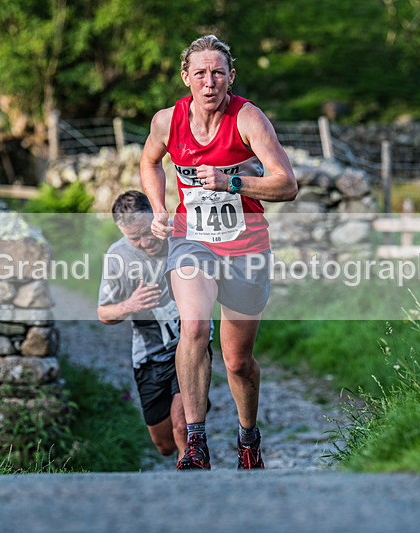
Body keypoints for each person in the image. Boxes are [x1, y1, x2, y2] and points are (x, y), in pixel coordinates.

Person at [140, 35, 297, 470]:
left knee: (238, 361)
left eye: (219, 72)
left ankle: (248, 437)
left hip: (246, 245)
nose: (210, 82)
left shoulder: (248, 119)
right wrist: (158, 208)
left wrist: (233, 182)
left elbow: (287, 184)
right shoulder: (166, 121)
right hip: (192, 240)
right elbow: (150, 161)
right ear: (186, 77)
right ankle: (195, 442)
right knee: (193, 326)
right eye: (201, 73)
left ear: (231, 76)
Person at [98, 190, 207, 460]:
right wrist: (129, 305)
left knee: (182, 427)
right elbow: (103, 313)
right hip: (149, 356)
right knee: (165, 444)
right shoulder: (117, 257)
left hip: (189, 343)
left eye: (148, 230)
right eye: (134, 238)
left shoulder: (183, 237)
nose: (146, 242)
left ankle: (193, 487)